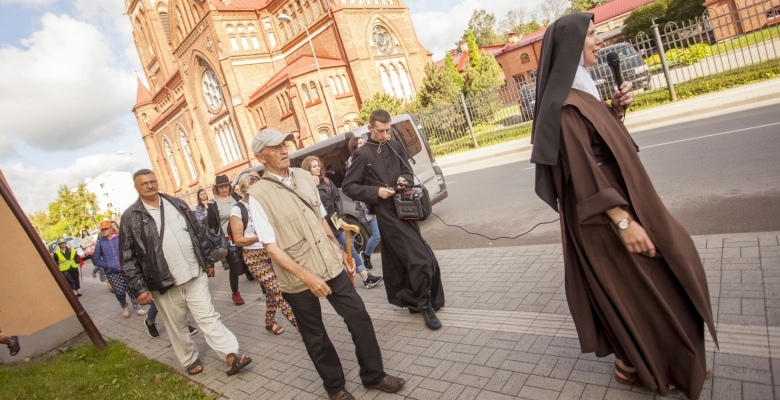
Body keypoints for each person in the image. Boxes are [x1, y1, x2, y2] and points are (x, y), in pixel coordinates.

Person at [530, 13, 716, 399]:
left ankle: (653, 363)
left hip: (616, 206)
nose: (600, 41)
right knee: (641, 291)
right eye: (592, 34)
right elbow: (582, 169)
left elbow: (597, 145)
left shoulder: (581, 91)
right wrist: (623, 222)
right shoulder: (564, 106)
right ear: (571, 45)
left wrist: (614, 111)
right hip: (604, 217)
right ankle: (649, 366)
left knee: (648, 286)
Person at [246, 129, 405, 400]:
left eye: (284, 144)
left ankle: (373, 375)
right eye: (275, 147)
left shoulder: (303, 176)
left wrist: (339, 251)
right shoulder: (258, 195)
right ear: (261, 157)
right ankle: (335, 388)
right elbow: (270, 247)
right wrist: (307, 277)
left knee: (359, 317)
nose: (284, 150)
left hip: (328, 264)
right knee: (315, 335)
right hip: (297, 278)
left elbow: (321, 218)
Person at [121, 168, 251, 376]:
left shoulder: (176, 204)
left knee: (208, 317)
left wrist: (207, 261)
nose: (150, 185)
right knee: (177, 325)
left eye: (152, 181)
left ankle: (230, 355)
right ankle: (189, 359)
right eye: (144, 183)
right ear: (136, 187)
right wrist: (138, 288)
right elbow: (127, 256)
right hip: (163, 283)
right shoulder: (130, 217)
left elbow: (198, 234)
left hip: (194, 274)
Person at [342, 109, 444, 330]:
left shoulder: (395, 146)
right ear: (370, 128)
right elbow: (349, 187)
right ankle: (424, 304)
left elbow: (408, 172)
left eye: (388, 130)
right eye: (380, 131)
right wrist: (376, 192)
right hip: (386, 215)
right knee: (420, 259)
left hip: (406, 210)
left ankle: (414, 299)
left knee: (413, 258)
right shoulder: (362, 154)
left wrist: (404, 180)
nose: (385, 135)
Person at [230, 172, 298, 335]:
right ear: (243, 191)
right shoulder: (237, 210)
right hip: (255, 258)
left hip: (272, 251)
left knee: (271, 291)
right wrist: (261, 236)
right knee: (278, 291)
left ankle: (269, 321)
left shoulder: (264, 204)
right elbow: (238, 240)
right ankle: (303, 329)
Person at [301, 155, 383, 289]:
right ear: (307, 169)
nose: (317, 168)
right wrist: (313, 186)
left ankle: (365, 277)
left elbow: (337, 198)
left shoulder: (326, 181)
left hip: (335, 223)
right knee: (334, 254)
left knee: (349, 248)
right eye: (314, 167)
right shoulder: (306, 187)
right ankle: (341, 283)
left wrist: (340, 216)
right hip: (322, 227)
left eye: (318, 165)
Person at [207, 174, 254, 306]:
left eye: (226, 186)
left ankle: (249, 273)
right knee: (234, 266)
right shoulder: (214, 203)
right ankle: (235, 292)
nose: (224, 189)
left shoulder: (236, 197)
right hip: (227, 239)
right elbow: (211, 224)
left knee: (248, 257)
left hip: (243, 234)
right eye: (221, 187)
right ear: (217, 189)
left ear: (229, 186)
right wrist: (210, 210)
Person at [93, 220, 147, 317]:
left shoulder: (119, 238)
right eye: (102, 229)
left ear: (111, 228)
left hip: (126, 269)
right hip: (112, 273)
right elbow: (96, 260)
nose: (104, 231)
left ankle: (137, 307)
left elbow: (129, 249)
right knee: (119, 292)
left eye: (106, 228)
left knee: (131, 289)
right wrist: (108, 265)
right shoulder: (100, 243)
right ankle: (124, 306)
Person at [347, 137, 381, 270]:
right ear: (354, 148)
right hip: (365, 202)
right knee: (377, 235)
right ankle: (366, 256)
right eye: (360, 143)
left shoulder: (368, 156)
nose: (363, 144)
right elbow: (352, 185)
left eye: (363, 142)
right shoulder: (353, 161)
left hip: (376, 198)